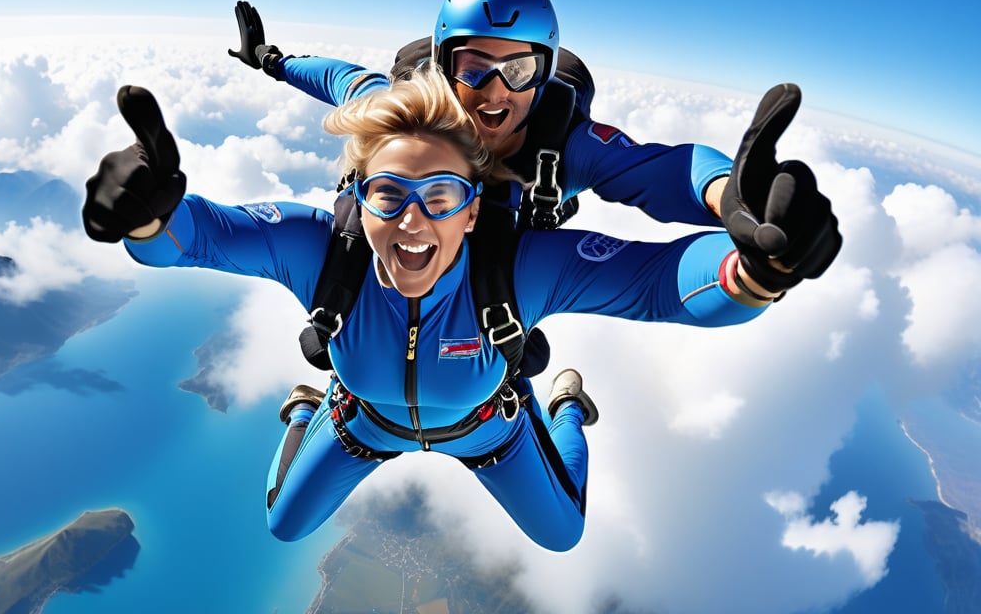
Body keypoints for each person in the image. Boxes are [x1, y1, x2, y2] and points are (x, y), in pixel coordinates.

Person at [81, 65, 839, 551]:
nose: (413, 222)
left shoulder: (518, 265)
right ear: (355, 197)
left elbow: (659, 284)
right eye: (388, 195)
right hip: (359, 420)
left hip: (490, 429)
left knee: (562, 535)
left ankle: (567, 405)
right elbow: (203, 235)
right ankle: (303, 408)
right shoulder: (324, 250)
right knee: (283, 524)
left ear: (474, 211)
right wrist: (147, 220)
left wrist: (756, 272)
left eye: (440, 197)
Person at [228, 0, 734, 233]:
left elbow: (660, 167)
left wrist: (729, 193)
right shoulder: (409, 111)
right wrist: (272, 59)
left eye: (521, 70)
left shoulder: (561, 148)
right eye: (474, 69)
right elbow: (342, 80)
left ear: (546, 73)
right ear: (445, 69)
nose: (496, 91)